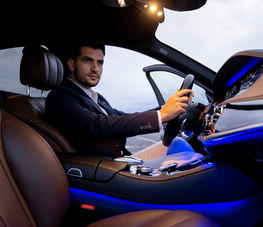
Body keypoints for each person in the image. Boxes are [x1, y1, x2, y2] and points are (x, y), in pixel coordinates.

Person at [45, 40, 193, 158]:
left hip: (120, 162)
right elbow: (96, 125)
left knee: (179, 145)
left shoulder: (95, 97)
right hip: (101, 173)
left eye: (100, 62)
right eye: (87, 60)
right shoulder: (60, 97)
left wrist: (167, 108)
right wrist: (161, 116)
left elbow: (121, 117)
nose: (95, 68)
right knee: (187, 156)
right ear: (71, 64)